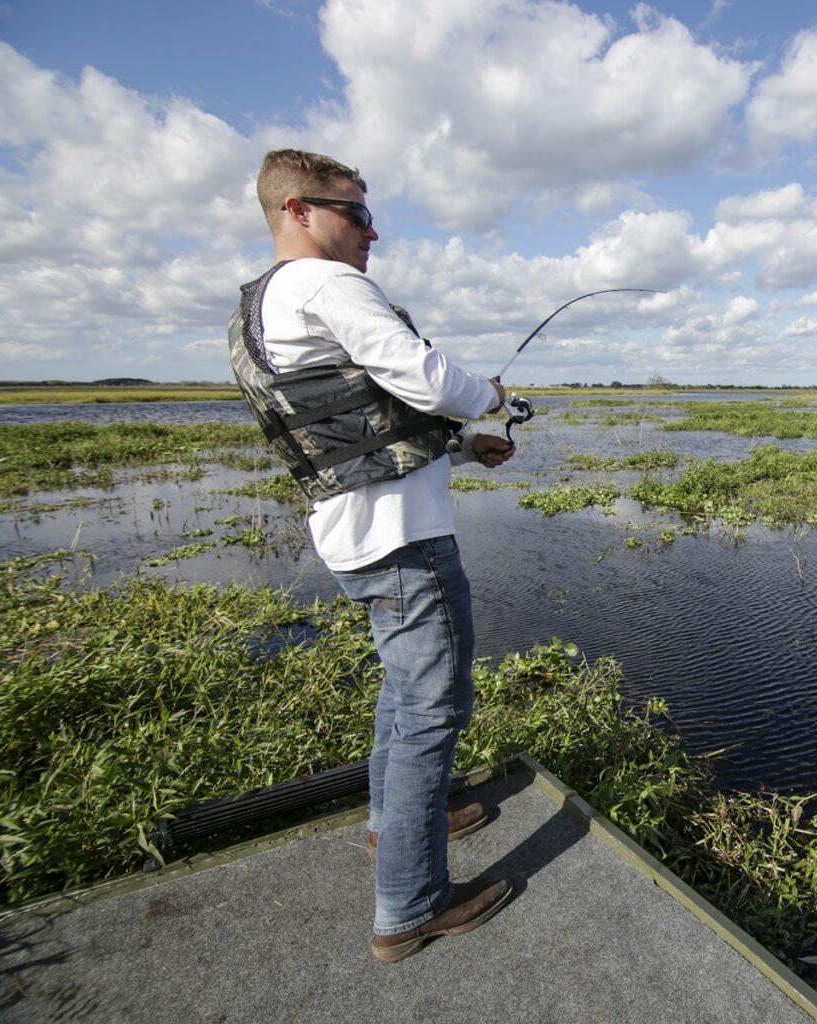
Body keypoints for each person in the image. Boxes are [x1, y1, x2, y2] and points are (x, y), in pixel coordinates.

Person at [228, 149, 514, 964]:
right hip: (403, 543)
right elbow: (420, 375)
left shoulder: (260, 309)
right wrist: (491, 396)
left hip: (355, 534)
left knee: (404, 692)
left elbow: (353, 425)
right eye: (354, 212)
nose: (372, 230)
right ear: (296, 211)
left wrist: (462, 448)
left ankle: (393, 827)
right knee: (434, 709)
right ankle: (410, 905)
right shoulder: (327, 284)